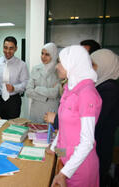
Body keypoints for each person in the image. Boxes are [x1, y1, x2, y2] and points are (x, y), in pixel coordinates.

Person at [49, 45, 102, 187]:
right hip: (66, 163)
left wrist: (64, 173)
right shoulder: (70, 88)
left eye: (60, 62)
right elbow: (64, 131)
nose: (57, 67)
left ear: (72, 64)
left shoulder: (87, 93)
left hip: (80, 169)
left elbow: (87, 142)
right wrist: (53, 150)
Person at [91, 49, 119, 187]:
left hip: (101, 145)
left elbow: (96, 118)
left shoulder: (109, 88)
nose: (91, 69)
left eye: (94, 65)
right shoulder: (100, 84)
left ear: (105, 65)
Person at [0, 36, 29, 119]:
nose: (8, 51)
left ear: (16, 48)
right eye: (5, 48)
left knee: (12, 127)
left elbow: (26, 83)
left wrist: (14, 88)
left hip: (13, 101)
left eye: (11, 48)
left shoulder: (22, 65)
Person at [26, 43, 61, 123]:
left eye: (47, 54)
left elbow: (55, 93)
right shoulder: (35, 69)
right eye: (42, 53)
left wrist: (37, 88)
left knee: (50, 134)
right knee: (33, 133)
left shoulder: (58, 70)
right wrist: (46, 97)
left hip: (51, 112)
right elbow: (28, 92)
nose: (43, 57)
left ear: (53, 55)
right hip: (35, 112)